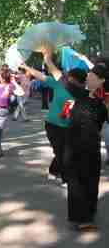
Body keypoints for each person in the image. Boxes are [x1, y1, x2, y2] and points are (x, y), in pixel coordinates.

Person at [21, 49, 88, 186]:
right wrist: (26, 67)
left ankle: (54, 170)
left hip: (70, 126)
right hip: (53, 125)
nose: (66, 78)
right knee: (62, 151)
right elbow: (41, 76)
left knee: (64, 151)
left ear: (75, 80)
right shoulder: (59, 83)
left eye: (69, 77)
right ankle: (66, 179)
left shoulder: (82, 93)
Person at [64, 65, 108, 231]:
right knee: (75, 183)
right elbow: (59, 77)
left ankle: (88, 214)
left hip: (91, 149)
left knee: (90, 182)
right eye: (88, 75)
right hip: (73, 147)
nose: (88, 78)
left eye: (92, 76)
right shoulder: (78, 94)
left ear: (101, 80)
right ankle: (82, 220)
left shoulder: (102, 103)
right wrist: (47, 57)